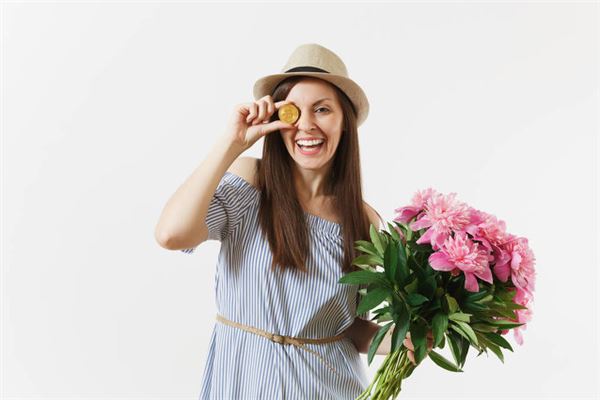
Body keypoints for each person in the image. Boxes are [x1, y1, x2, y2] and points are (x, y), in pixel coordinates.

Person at [155, 43, 427, 399]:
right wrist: (231, 143)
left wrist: (403, 336)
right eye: (293, 111)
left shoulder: (364, 221)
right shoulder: (250, 182)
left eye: (323, 109)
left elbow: (347, 326)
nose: (306, 125)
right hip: (242, 382)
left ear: (345, 122)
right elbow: (171, 234)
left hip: (328, 388)